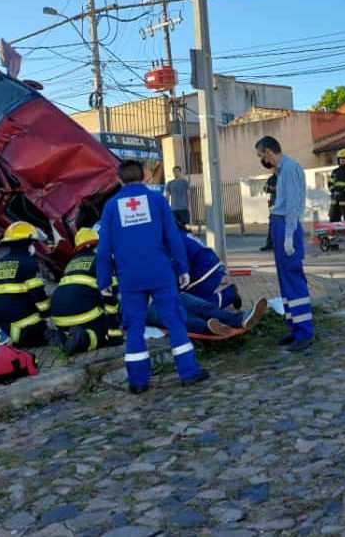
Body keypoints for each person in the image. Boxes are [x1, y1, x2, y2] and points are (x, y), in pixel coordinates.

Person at [97, 159, 209, 393]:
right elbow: (173, 237)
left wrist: (104, 280)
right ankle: (188, 373)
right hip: (160, 272)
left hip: (130, 277)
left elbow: (105, 248)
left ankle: (138, 383)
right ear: (145, 177)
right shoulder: (157, 200)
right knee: (174, 320)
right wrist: (183, 268)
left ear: (119, 180)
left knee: (134, 327)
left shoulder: (110, 206)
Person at [254, 136, 314, 352]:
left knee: (293, 278)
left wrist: (289, 234)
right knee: (285, 280)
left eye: (262, 155)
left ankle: (305, 332)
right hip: (280, 225)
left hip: (286, 226)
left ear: (269, 152)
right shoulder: (282, 170)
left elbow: (293, 204)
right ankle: (295, 328)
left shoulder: (289, 169)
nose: (262, 159)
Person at [45, 227, 124, 356]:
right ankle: (83, 339)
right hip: (81, 315)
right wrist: (114, 331)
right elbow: (110, 296)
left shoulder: (71, 263)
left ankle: (62, 336)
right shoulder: (102, 259)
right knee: (103, 335)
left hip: (59, 318)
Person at [0, 221, 49, 347]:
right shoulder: (28, 262)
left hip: (0, 322)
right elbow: (38, 294)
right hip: (23, 325)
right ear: (25, 243)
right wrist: (47, 314)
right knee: (42, 328)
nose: (33, 245)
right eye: (32, 242)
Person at [178, 223, 242, 310]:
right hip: (212, 269)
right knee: (188, 299)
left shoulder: (174, 240)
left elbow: (180, 266)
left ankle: (229, 296)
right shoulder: (182, 234)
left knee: (190, 304)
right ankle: (228, 295)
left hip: (206, 273)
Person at [148, 293, 268, 338]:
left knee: (203, 306)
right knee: (180, 317)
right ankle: (210, 328)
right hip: (144, 307)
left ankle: (239, 319)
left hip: (165, 293)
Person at [328, 148, 345, 222]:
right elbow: (330, 183)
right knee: (333, 219)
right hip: (335, 200)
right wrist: (333, 191)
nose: (342, 160)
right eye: (340, 158)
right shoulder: (335, 171)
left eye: (344, 158)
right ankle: (335, 233)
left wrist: (344, 192)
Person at [260, 170, 277, 252]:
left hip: (284, 205)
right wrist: (270, 188)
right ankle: (269, 244)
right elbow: (265, 188)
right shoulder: (272, 178)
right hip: (273, 205)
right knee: (272, 224)